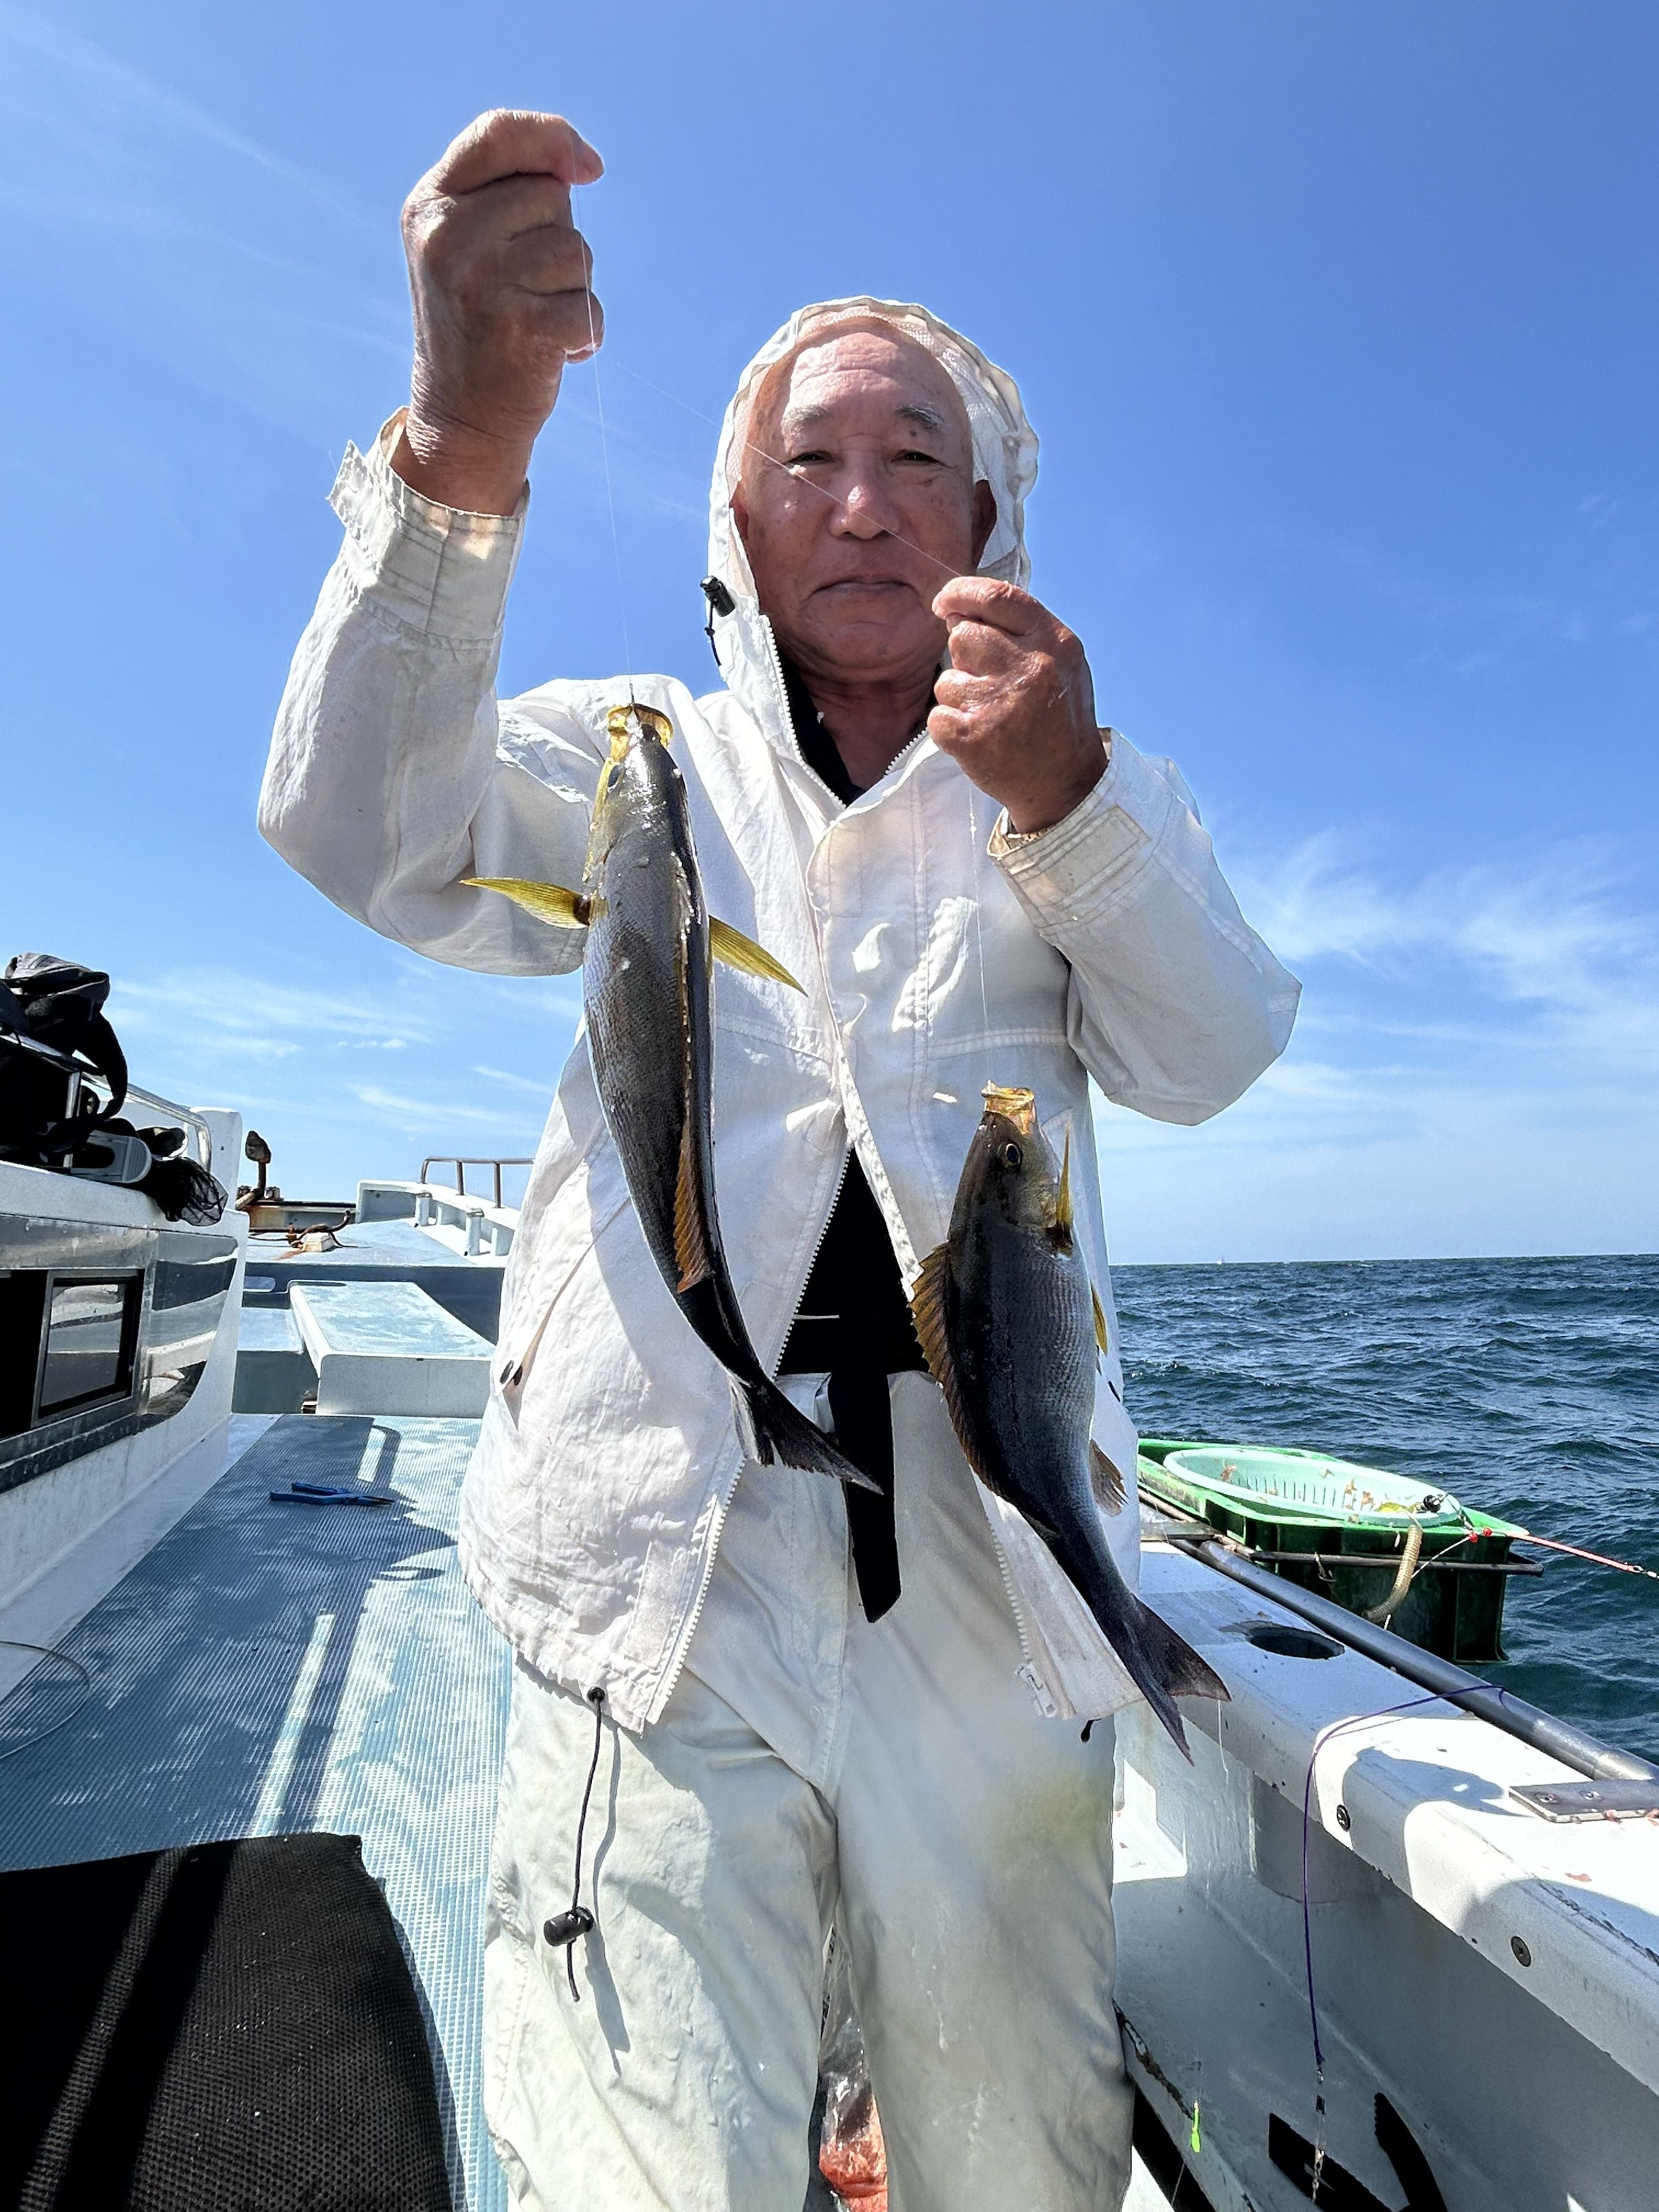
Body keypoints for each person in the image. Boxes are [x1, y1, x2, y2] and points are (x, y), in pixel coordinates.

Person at [262, 108, 1300, 2212]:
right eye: (811, 459)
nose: (865, 501)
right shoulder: (632, 754)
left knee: (1014, 2154)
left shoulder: (1085, 785)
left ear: (991, 517)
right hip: (661, 1552)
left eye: (919, 458)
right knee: (647, 2160)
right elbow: (366, 830)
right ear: (738, 517)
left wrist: (1075, 802)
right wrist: (461, 450)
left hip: (987, 1563)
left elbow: (1211, 1053)